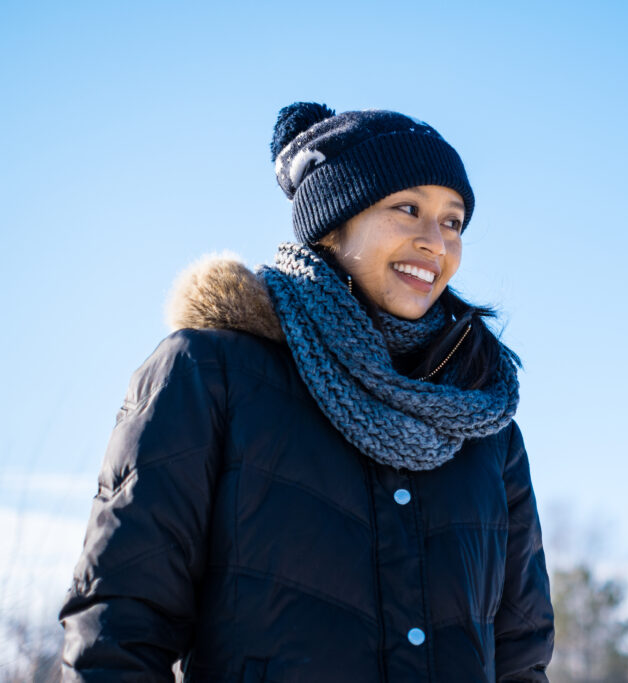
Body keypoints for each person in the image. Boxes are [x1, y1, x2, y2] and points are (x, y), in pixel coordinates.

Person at [59, 103, 554, 681]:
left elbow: (521, 656)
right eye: (408, 209)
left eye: (453, 221)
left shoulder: (484, 431)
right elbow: (119, 625)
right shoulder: (211, 373)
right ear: (332, 223)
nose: (435, 242)